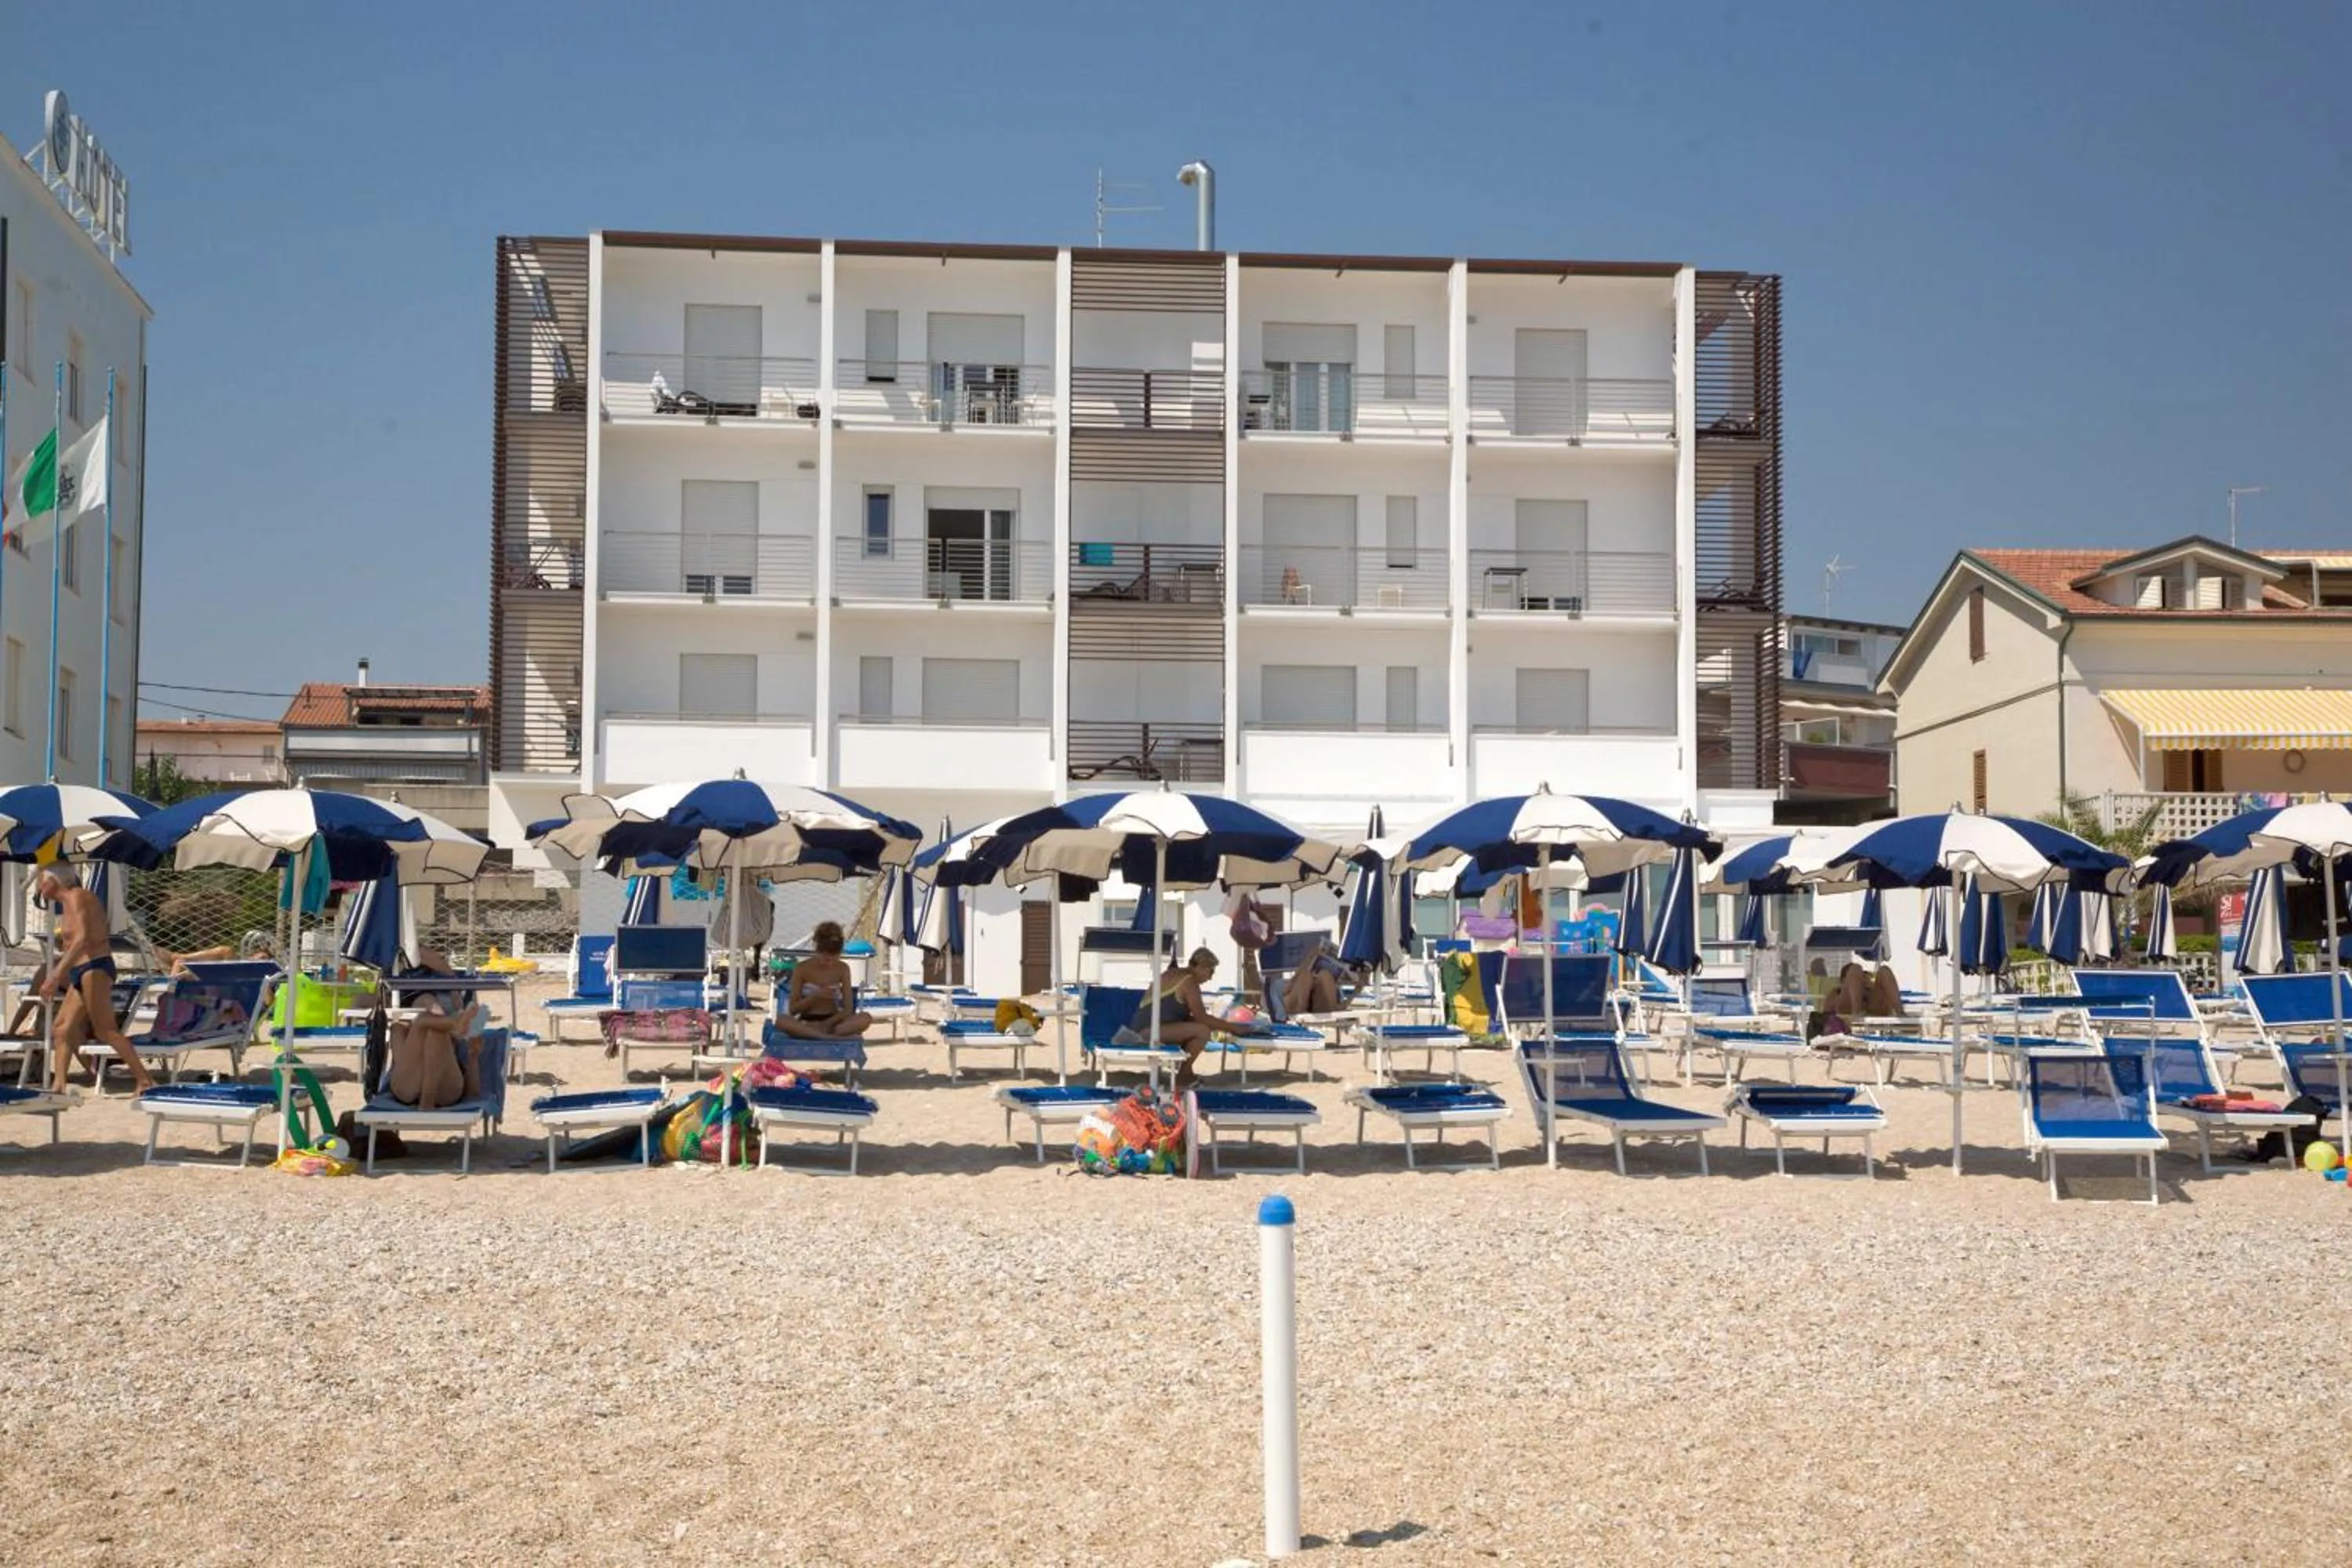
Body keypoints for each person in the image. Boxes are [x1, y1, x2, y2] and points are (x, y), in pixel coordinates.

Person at [34, 865, 154, 1094]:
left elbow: (82, 940)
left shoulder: (79, 895)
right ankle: (59, 1086)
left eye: (41, 881)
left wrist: (55, 976)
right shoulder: (66, 904)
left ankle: (145, 1079)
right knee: (61, 1028)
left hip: (95, 968)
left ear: (52, 882)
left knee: (105, 1031)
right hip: (81, 970)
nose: (40, 887)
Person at [380, 946, 485, 1111]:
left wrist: (473, 1057)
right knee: (430, 1028)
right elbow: (474, 1095)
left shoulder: (400, 1028)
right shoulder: (399, 1029)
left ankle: (427, 1100)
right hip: (434, 1088)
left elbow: (474, 1093)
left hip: (416, 1088)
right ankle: (450, 1024)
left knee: (430, 1028)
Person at [1128, 946, 1229, 1094]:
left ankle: (1186, 1073)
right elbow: (1202, 1018)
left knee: (1198, 1027)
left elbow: (1189, 1017)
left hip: (1146, 1028)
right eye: (1210, 971)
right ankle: (1183, 1076)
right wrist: (1233, 1028)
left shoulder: (1174, 974)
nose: (1211, 977)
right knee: (1202, 1031)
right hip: (1146, 1033)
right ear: (1201, 967)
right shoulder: (1189, 982)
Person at [771, 921, 873, 1041]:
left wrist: (827, 1024)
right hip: (807, 1020)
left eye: (834, 958)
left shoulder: (843, 969)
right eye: (825, 958)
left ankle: (819, 1034)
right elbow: (793, 1009)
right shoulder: (802, 969)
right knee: (782, 1021)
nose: (829, 963)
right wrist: (816, 996)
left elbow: (848, 1009)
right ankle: (825, 1036)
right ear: (817, 950)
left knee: (866, 1018)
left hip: (833, 1021)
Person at [1281, 936, 1353, 1018]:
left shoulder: (1320, 979)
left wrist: (1358, 989)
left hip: (1311, 1006)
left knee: (1319, 975)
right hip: (1310, 1005)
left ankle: (1301, 1009)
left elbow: (1339, 1009)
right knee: (1311, 975)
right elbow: (1339, 1009)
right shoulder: (1307, 978)